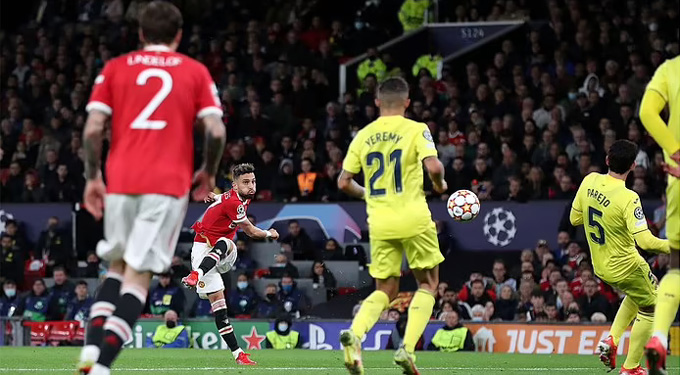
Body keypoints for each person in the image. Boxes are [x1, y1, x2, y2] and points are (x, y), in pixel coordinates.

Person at [77, 2, 227, 374]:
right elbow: (217, 131)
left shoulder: (115, 68)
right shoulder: (194, 71)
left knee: (117, 266)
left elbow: (93, 128)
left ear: (141, 34)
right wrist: (208, 172)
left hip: (122, 180)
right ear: (178, 35)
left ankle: (90, 353)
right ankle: (101, 367)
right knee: (139, 276)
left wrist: (93, 177)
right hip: (166, 184)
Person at [337, 77, 447, 375]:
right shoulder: (416, 129)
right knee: (428, 284)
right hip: (413, 217)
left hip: (380, 222)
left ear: (376, 102)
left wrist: (367, 194)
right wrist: (439, 185)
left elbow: (343, 182)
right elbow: (434, 167)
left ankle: (356, 335)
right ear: (408, 102)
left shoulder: (363, 135)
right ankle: (407, 350)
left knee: (385, 288)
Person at [570, 140, 669, 375]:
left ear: (607, 160)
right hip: (627, 265)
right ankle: (631, 367)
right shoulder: (628, 197)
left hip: (601, 266)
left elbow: (575, 219)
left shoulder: (590, 180)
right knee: (651, 305)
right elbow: (646, 242)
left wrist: (603, 215)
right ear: (633, 166)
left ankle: (611, 341)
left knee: (639, 293)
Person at [182, 163, 278, 365]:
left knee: (226, 242)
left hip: (223, 254)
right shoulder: (235, 202)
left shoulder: (235, 196)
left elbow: (223, 198)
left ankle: (195, 275)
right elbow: (251, 232)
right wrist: (270, 233)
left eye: (252, 181)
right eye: (246, 182)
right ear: (235, 186)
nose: (251, 186)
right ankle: (238, 354)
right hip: (202, 250)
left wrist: (214, 197)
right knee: (220, 309)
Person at [639, 55, 680, 375]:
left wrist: (675, 152)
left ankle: (658, 339)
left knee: (677, 267)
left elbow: (646, 112)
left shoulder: (670, 69)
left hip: (678, 178)